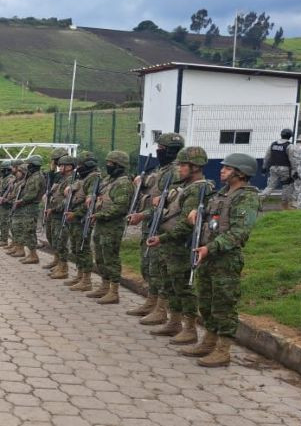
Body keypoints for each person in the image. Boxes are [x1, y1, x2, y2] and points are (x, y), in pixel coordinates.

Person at [183, 152, 261, 367]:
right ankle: (208, 341)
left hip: (225, 259)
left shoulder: (246, 197)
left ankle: (223, 350)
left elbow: (239, 233)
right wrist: (196, 219)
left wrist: (211, 247)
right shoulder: (221, 195)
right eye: (223, 167)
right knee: (207, 303)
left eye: (227, 168)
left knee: (223, 305)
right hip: (207, 256)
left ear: (241, 173)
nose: (222, 170)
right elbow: (211, 222)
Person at [144, 146, 213, 344]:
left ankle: (189, 328)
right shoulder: (183, 188)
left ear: (195, 167)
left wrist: (163, 239)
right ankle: (174, 321)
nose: (179, 169)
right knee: (171, 284)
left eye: (183, 165)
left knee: (184, 287)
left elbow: (186, 223)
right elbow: (167, 211)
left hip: (181, 246)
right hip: (170, 243)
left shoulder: (199, 189)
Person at [126, 132, 184, 321]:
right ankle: (151, 302)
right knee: (148, 266)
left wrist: (143, 214)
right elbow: (151, 194)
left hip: (163, 226)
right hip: (150, 224)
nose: (158, 151)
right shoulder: (160, 169)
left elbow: (169, 204)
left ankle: (161, 309)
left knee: (159, 270)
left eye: (161, 149)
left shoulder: (175, 172)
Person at [85, 150, 133, 304]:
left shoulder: (124, 183)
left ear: (119, 166)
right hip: (101, 224)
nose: (108, 166)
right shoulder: (108, 180)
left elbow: (121, 207)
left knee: (110, 257)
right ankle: (104, 286)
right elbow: (98, 193)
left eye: (111, 164)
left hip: (112, 226)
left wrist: (100, 215)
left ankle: (114, 291)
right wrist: (92, 198)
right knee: (100, 256)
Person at [64, 152, 102, 292]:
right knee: (75, 248)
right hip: (74, 219)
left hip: (81, 219)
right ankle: (80, 275)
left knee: (82, 248)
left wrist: (76, 214)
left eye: (80, 165)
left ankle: (86, 280)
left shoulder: (94, 178)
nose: (78, 168)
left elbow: (90, 203)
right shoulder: (83, 178)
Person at [45, 155, 77, 280]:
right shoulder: (62, 178)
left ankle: (63, 268)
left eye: (62, 165)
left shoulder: (71, 180)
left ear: (69, 167)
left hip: (61, 214)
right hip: (55, 214)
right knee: (55, 239)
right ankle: (59, 264)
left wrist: (53, 209)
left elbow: (67, 200)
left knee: (61, 241)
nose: (60, 168)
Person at [11, 155, 46, 264]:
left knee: (30, 231)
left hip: (31, 207)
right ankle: (31, 254)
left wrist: (21, 200)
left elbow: (32, 194)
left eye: (30, 164)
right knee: (26, 231)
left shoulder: (37, 177)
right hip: (28, 206)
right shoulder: (32, 176)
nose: (28, 166)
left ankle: (34, 255)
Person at [261, 128, 299, 209]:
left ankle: (259, 200)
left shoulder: (273, 144)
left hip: (273, 168)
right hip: (285, 169)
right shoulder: (290, 146)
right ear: (290, 136)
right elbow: (293, 160)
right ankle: (285, 205)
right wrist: (295, 171)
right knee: (287, 186)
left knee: (270, 186)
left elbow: (267, 156)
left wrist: (264, 167)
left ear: (281, 134)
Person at [42, 148, 68, 264]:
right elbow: (49, 184)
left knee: (59, 239)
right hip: (51, 210)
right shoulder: (57, 175)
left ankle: (62, 265)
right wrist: (51, 170)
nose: (57, 164)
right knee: (50, 236)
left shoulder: (71, 177)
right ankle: (56, 259)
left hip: (60, 211)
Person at [4, 163, 28, 258]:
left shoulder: (24, 182)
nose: (17, 173)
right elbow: (14, 194)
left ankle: (20, 248)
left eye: (19, 171)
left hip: (22, 208)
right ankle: (17, 246)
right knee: (15, 228)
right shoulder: (17, 182)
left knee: (19, 228)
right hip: (15, 206)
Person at [0, 161, 16, 249]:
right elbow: (1, 189)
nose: (2, 172)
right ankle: (3, 238)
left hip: (7, 204)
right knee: (1, 221)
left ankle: (5, 240)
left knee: (5, 222)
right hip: (0, 203)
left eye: (3, 170)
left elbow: (8, 191)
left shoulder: (10, 178)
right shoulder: (3, 178)